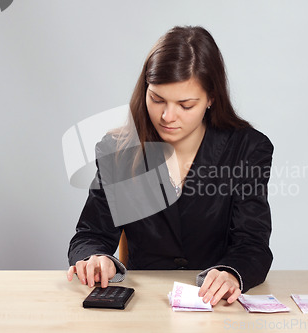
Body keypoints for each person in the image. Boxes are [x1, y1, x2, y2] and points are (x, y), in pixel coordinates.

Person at [67, 26, 274, 306]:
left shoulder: (247, 149)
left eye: (185, 105)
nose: (167, 116)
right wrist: (95, 258)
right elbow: (91, 234)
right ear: (145, 90)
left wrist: (231, 273)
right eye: (157, 99)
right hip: (143, 304)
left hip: (216, 304)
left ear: (211, 98)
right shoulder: (118, 150)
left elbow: (252, 243)